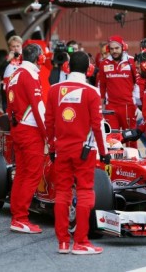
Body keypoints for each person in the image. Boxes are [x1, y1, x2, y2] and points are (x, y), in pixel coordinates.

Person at [45, 51, 110, 255]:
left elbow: (49, 124)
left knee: (62, 193)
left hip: (62, 149)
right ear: (89, 69)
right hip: (84, 151)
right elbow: (97, 126)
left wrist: (52, 148)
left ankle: (63, 242)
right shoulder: (92, 92)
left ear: (67, 67)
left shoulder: (54, 90)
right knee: (84, 193)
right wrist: (104, 151)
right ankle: (81, 242)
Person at [6, 43, 46, 234]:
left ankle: (17, 216)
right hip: (30, 131)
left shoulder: (14, 74)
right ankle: (20, 218)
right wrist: (49, 135)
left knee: (21, 173)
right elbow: (38, 108)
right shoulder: (30, 74)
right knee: (32, 174)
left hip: (17, 128)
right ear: (38, 58)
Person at [97, 35, 140, 148]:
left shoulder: (132, 62)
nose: (114, 51)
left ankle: (132, 164)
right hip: (111, 108)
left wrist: (140, 106)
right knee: (112, 140)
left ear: (123, 47)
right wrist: (100, 108)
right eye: (111, 49)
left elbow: (139, 84)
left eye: (117, 48)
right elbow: (102, 88)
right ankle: (114, 165)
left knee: (131, 139)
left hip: (129, 107)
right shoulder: (104, 64)